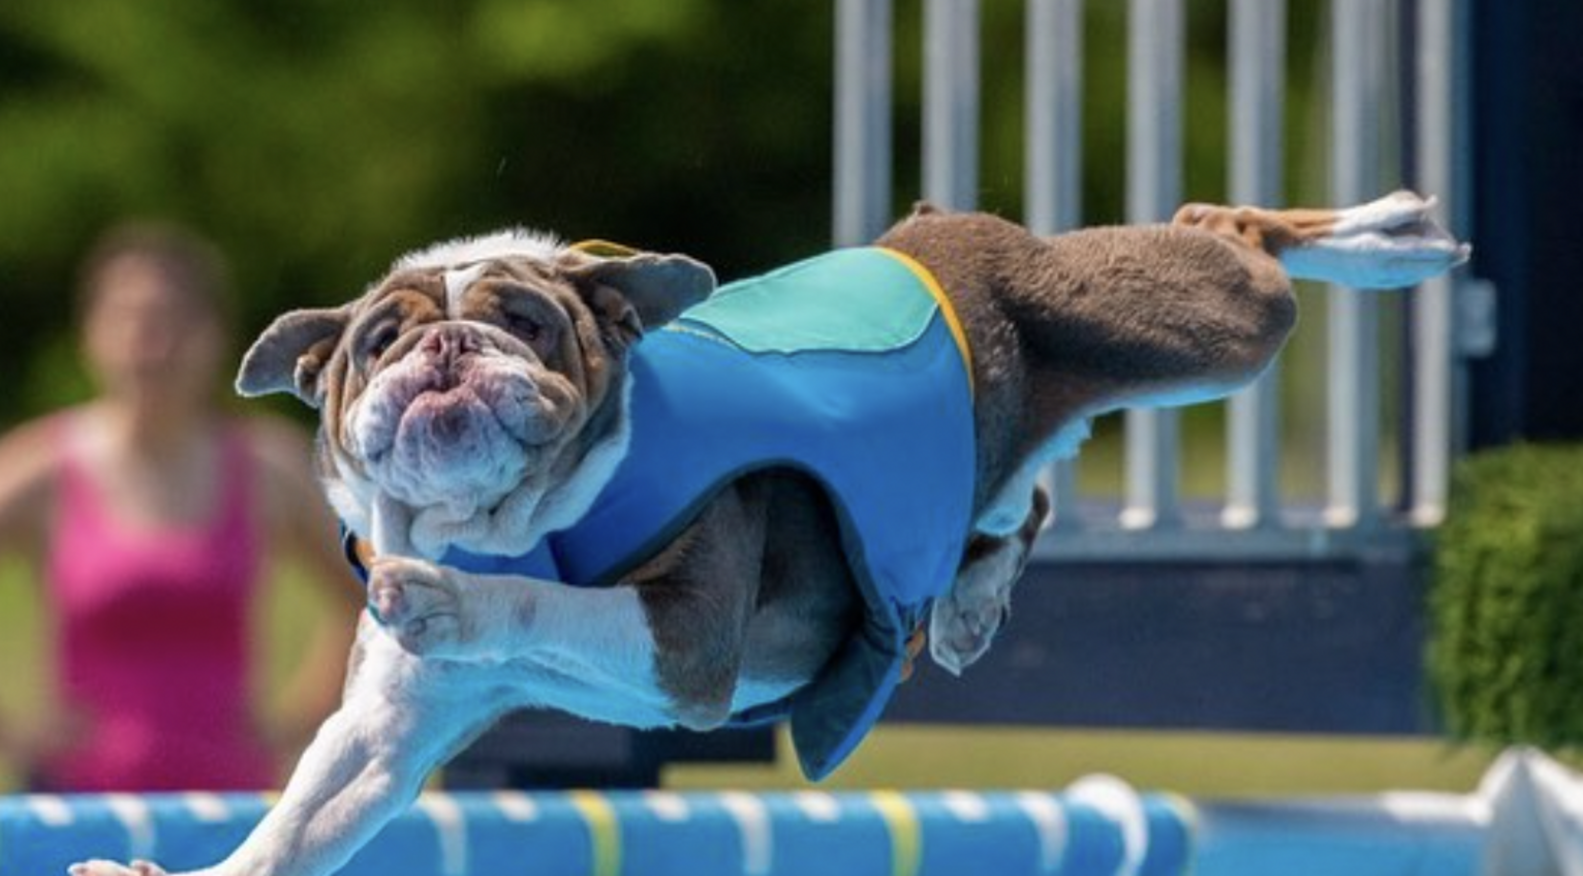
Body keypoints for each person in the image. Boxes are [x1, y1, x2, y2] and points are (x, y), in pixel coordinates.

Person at [0, 221, 363, 792]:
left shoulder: (269, 469)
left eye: (173, 321)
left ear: (216, 336)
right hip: (80, 808)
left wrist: (302, 726)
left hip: (226, 809)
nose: (150, 344)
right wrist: (14, 735)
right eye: (129, 320)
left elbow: (375, 598)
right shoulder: (44, 469)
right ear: (89, 333)